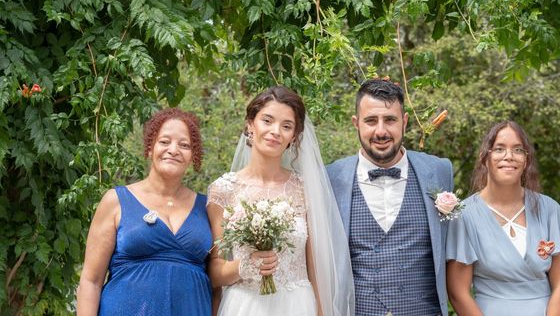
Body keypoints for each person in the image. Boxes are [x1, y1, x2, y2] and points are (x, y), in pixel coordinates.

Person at [207, 86, 354, 316]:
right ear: (250, 124)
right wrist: (244, 266)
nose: (275, 131)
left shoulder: (304, 189)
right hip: (244, 306)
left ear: (293, 137)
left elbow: (314, 267)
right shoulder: (223, 190)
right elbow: (215, 271)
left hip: (297, 305)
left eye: (286, 126)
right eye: (267, 120)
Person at [326, 78, 453, 316]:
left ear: (404, 122)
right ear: (356, 123)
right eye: (371, 121)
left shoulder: (439, 172)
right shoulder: (331, 179)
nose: (381, 131)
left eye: (390, 120)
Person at [76, 108, 212, 315]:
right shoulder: (116, 201)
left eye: (184, 145)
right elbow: (90, 281)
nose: (173, 150)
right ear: (150, 148)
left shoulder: (208, 208)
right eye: (165, 142)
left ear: (193, 156)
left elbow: (217, 284)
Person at [446, 121, 560, 316]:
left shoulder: (550, 210)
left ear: (526, 160)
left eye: (518, 150)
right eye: (499, 149)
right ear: (484, 157)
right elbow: (458, 293)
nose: (509, 156)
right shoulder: (464, 216)